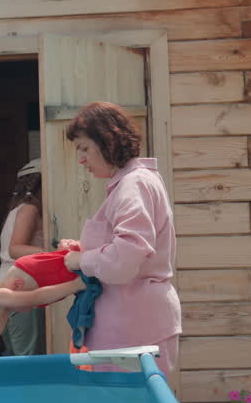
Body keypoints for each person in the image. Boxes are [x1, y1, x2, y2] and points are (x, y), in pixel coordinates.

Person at [57, 101, 181, 378]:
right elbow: (125, 247)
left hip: (132, 325)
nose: (81, 159)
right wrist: (82, 250)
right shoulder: (131, 183)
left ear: (108, 141)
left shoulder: (134, 184)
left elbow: (124, 261)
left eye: (84, 148)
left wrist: (81, 259)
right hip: (128, 322)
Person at [0, 159, 47, 356]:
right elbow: (15, 249)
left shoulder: (16, 210)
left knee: (13, 355)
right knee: (28, 357)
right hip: (21, 286)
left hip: (4, 284)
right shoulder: (30, 208)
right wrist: (54, 254)